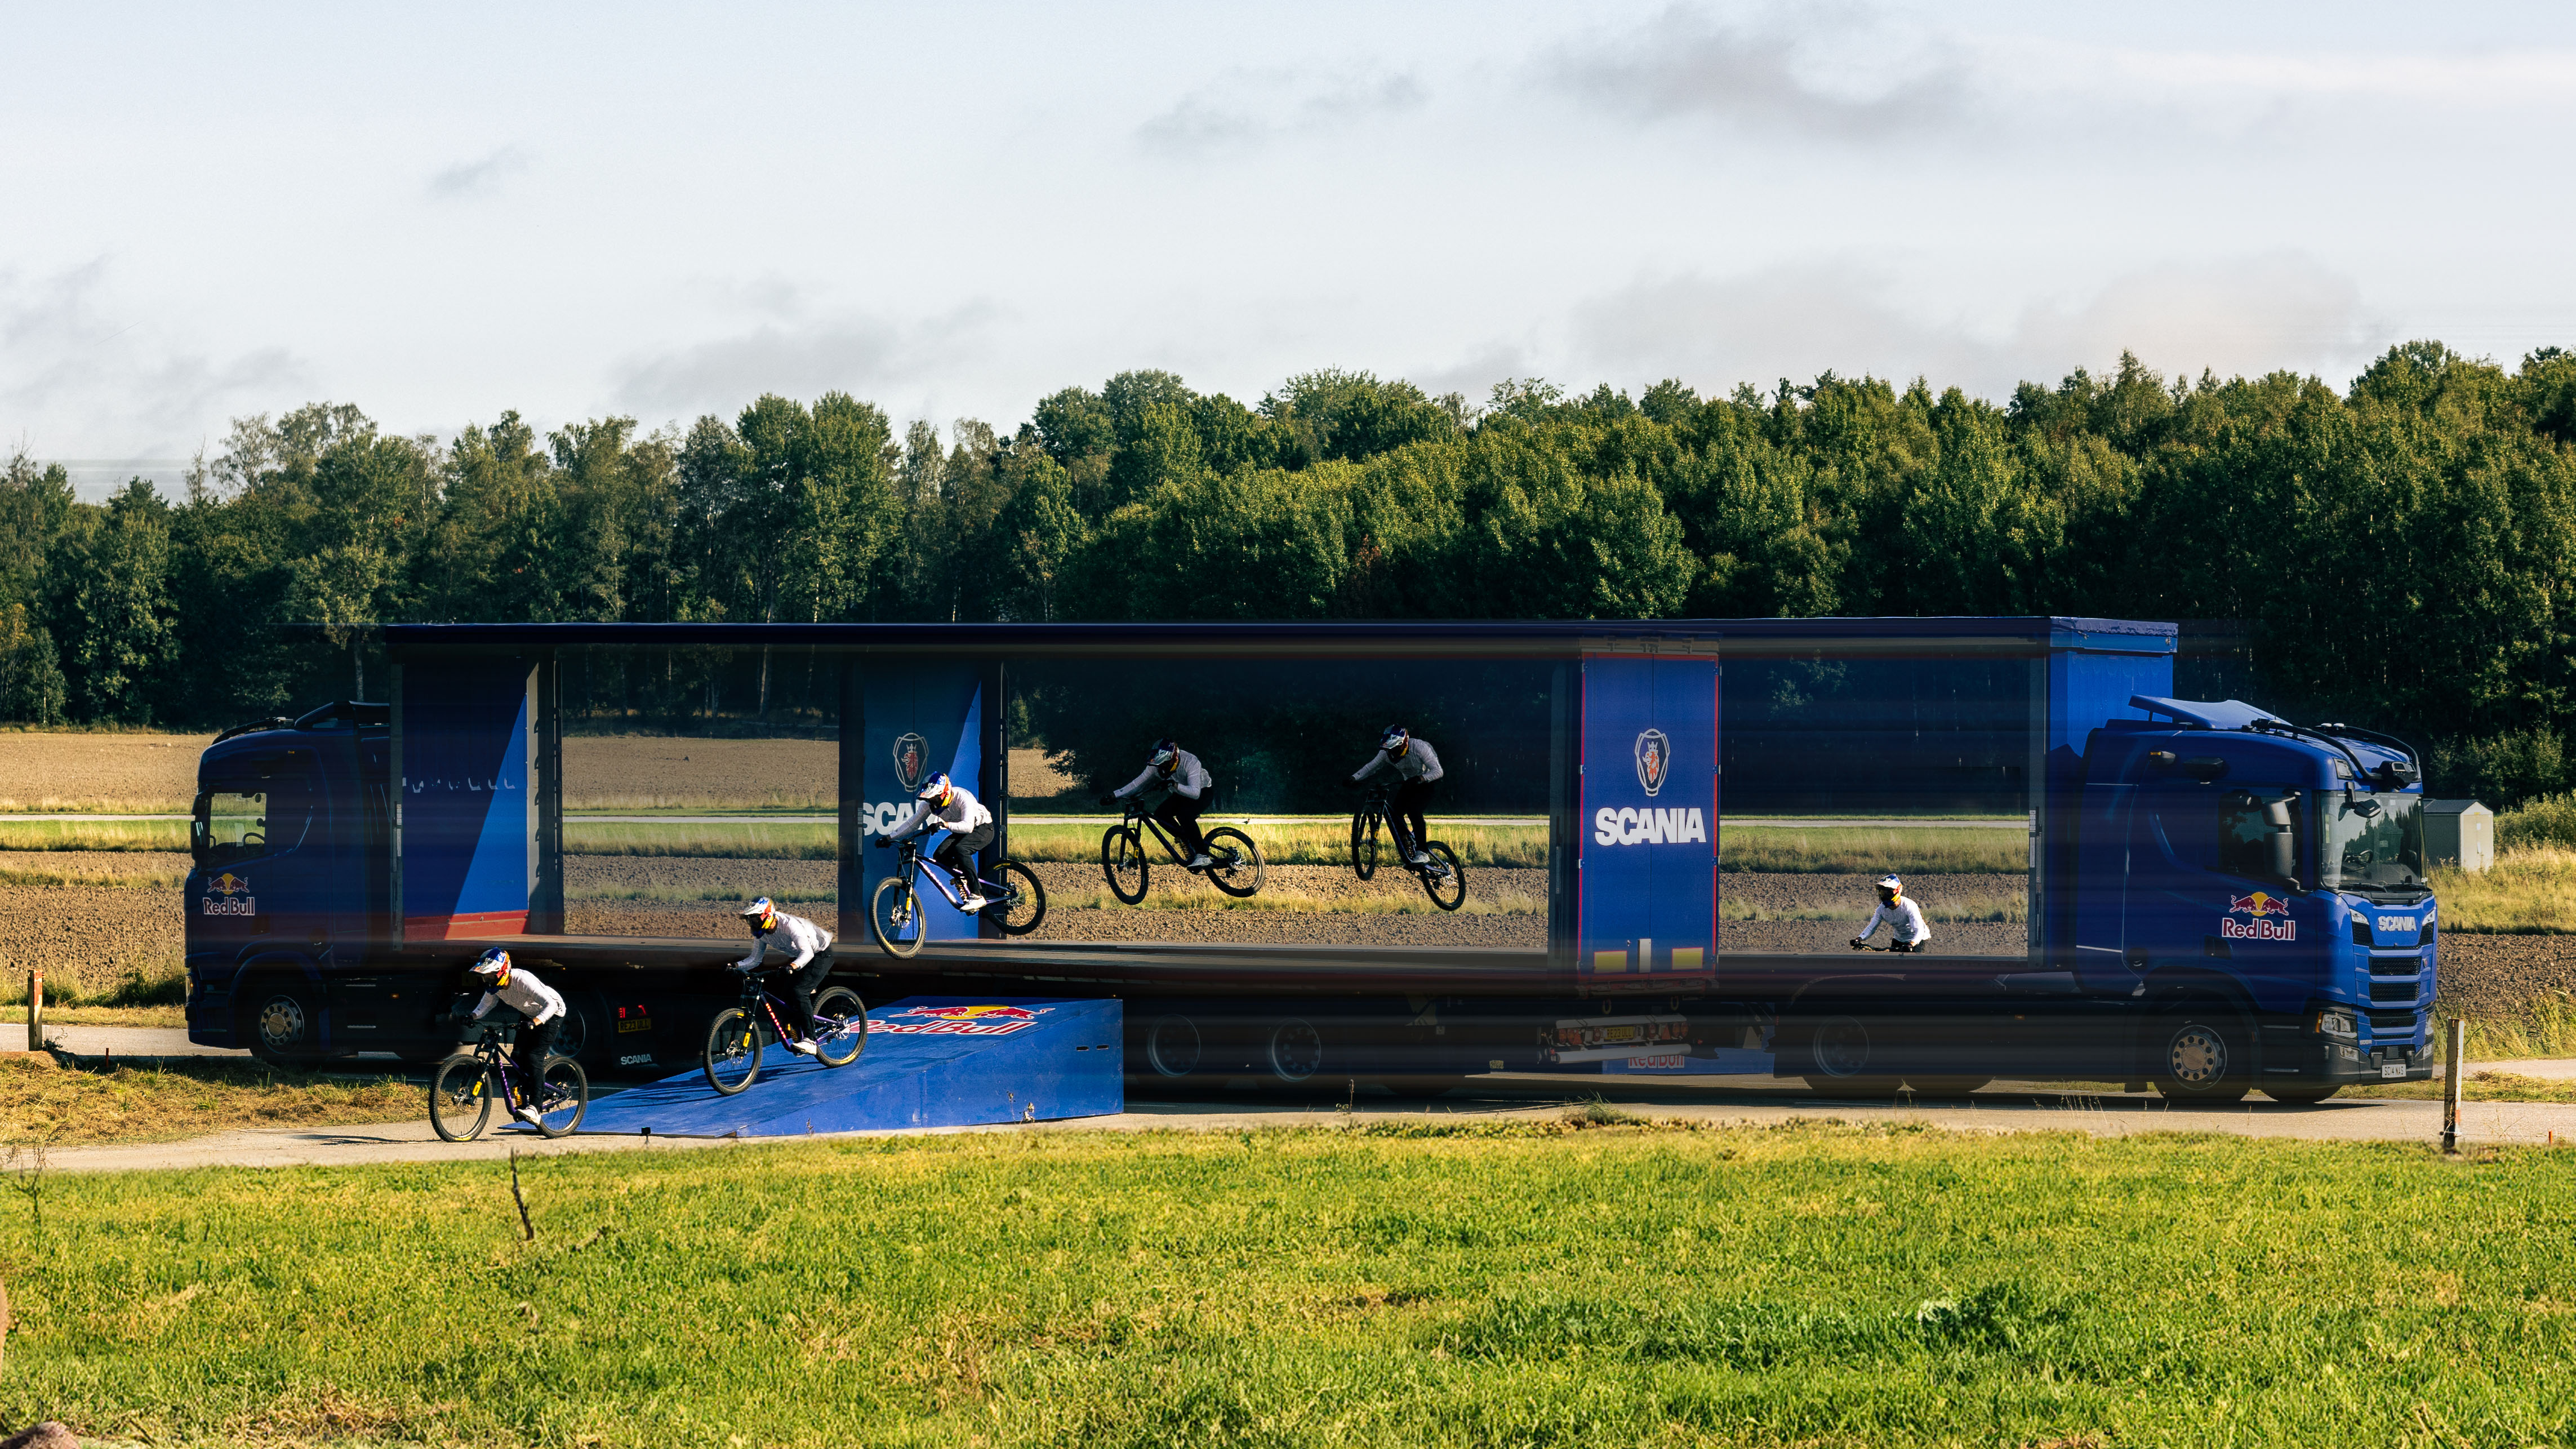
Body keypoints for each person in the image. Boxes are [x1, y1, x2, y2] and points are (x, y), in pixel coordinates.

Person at [464, 948, 567, 1124]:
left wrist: (536, 1022)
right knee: (517, 1055)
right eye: (485, 977)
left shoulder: (523, 980)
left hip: (552, 1014)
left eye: (490, 976)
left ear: (503, 971)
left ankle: (535, 1109)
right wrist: (472, 1016)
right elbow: (486, 1004)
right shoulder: (495, 987)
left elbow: (551, 1004)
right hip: (529, 1015)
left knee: (533, 1057)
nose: (488, 981)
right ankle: (527, 1090)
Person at [876, 771, 996, 911]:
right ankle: (963, 874)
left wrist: (945, 824)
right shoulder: (929, 805)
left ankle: (977, 896)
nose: (933, 802)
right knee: (940, 855)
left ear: (945, 793)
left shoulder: (962, 797)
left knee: (961, 849)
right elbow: (912, 824)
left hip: (983, 828)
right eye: (930, 799)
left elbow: (968, 827)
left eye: (935, 798)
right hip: (961, 831)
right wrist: (889, 837)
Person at [733, 895, 835, 1055]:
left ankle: (810, 1040)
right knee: (786, 997)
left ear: (767, 915)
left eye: (755, 920)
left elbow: (808, 953)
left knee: (799, 992)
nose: (752, 924)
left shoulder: (789, 925)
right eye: (750, 921)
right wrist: (736, 966)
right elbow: (755, 960)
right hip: (800, 957)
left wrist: (792, 966)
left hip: (820, 954)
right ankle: (798, 1034)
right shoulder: (763, 934)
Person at [1105, 738, 1212, 867]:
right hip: (1180, 794)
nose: (1161, 768)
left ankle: (1203, 855)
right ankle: (1185, 840)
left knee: (1184, 815)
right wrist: (1114, 795)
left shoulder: (1190, 761)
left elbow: (1195, 793)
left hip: (1202, 792)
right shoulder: (1155, 765)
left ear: (1173, 759)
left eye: (1164, 765)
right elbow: (1137, 783)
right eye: (1159, 765)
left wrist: (1174, 784)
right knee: (1161, 814)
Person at [1350, 723, 1442, 865]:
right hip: (1409, 783)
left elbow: (1438, 771)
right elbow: (1371, 767)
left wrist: (1420, 778)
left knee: (1414, 811)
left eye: (1395, 749)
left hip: (1427, 782)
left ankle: (1422, 852)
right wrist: (1354, 778)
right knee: (1395, 814)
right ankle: (1408, 844)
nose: (1392, 753)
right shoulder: (1386, 752)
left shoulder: (1420, 748)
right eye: (1389, 750)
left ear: (1403, 744)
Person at [1852, 874, 1931, 953]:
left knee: (1912, 960)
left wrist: (1911, 945)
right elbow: (1871, 928)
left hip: (1918, 938)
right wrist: (1859, 939)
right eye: (1882, 893)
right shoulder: (1881, 909)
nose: (1884, 896)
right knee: (1893, 960)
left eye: (1887, 893)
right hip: (1899, 938)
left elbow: (1919, 930)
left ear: (1898, 890)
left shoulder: (1909, 906)